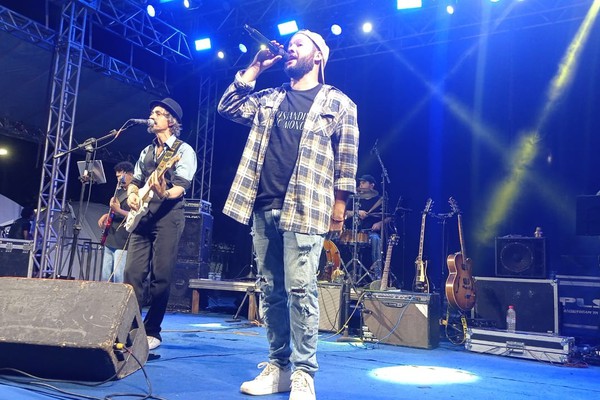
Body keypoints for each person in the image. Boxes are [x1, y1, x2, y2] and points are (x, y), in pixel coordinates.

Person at [218, 29, 359, 400]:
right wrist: (254, 68)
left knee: (301, 290)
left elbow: (347, 163)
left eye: (299, 44)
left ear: (318, 57)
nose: (290, 48)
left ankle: (304, 373)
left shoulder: (340, 103)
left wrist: (339, 208)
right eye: (289, 44)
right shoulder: (271, 97)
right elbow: (228, 107)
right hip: (263, 203)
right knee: (271, 291)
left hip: (308, 206)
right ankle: (278, 366)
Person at [124, 97, 197, 351]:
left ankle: (153, 329)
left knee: (161, 276)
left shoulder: (182, 151)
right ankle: (129, 327)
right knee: (131, 273)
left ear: (171, 121)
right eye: (151, 111)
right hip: (143, 218)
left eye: (158, 113)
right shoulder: (146, 152)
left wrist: (164, 192)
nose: (151, 116)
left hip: (168, 216)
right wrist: (132, 194)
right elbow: (135, 181)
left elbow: (180, 187)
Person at [97, 161, 134, 283]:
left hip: (123, 239)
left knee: (118, 275)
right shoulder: (119, 191)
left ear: (130, 174)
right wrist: (106, 215)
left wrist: (118, 209)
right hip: (111, 236)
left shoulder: (135, 193)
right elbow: (116, 211)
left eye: (120, 176)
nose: (118, 179)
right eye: (117, 177)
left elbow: (136, 216)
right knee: (105, 274)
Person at [344, 174, 384, 279]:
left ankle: (377, 275)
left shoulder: (379, 200)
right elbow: (344, 213)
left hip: (370, 232)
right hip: (353, 231)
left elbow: (389, 217)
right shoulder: (354, 198)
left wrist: (380, 223)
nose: (360, 184)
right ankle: (337, 273)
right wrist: (356, 212)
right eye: (360, 182)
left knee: (376, 239)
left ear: (372, 185)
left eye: (363, 182)